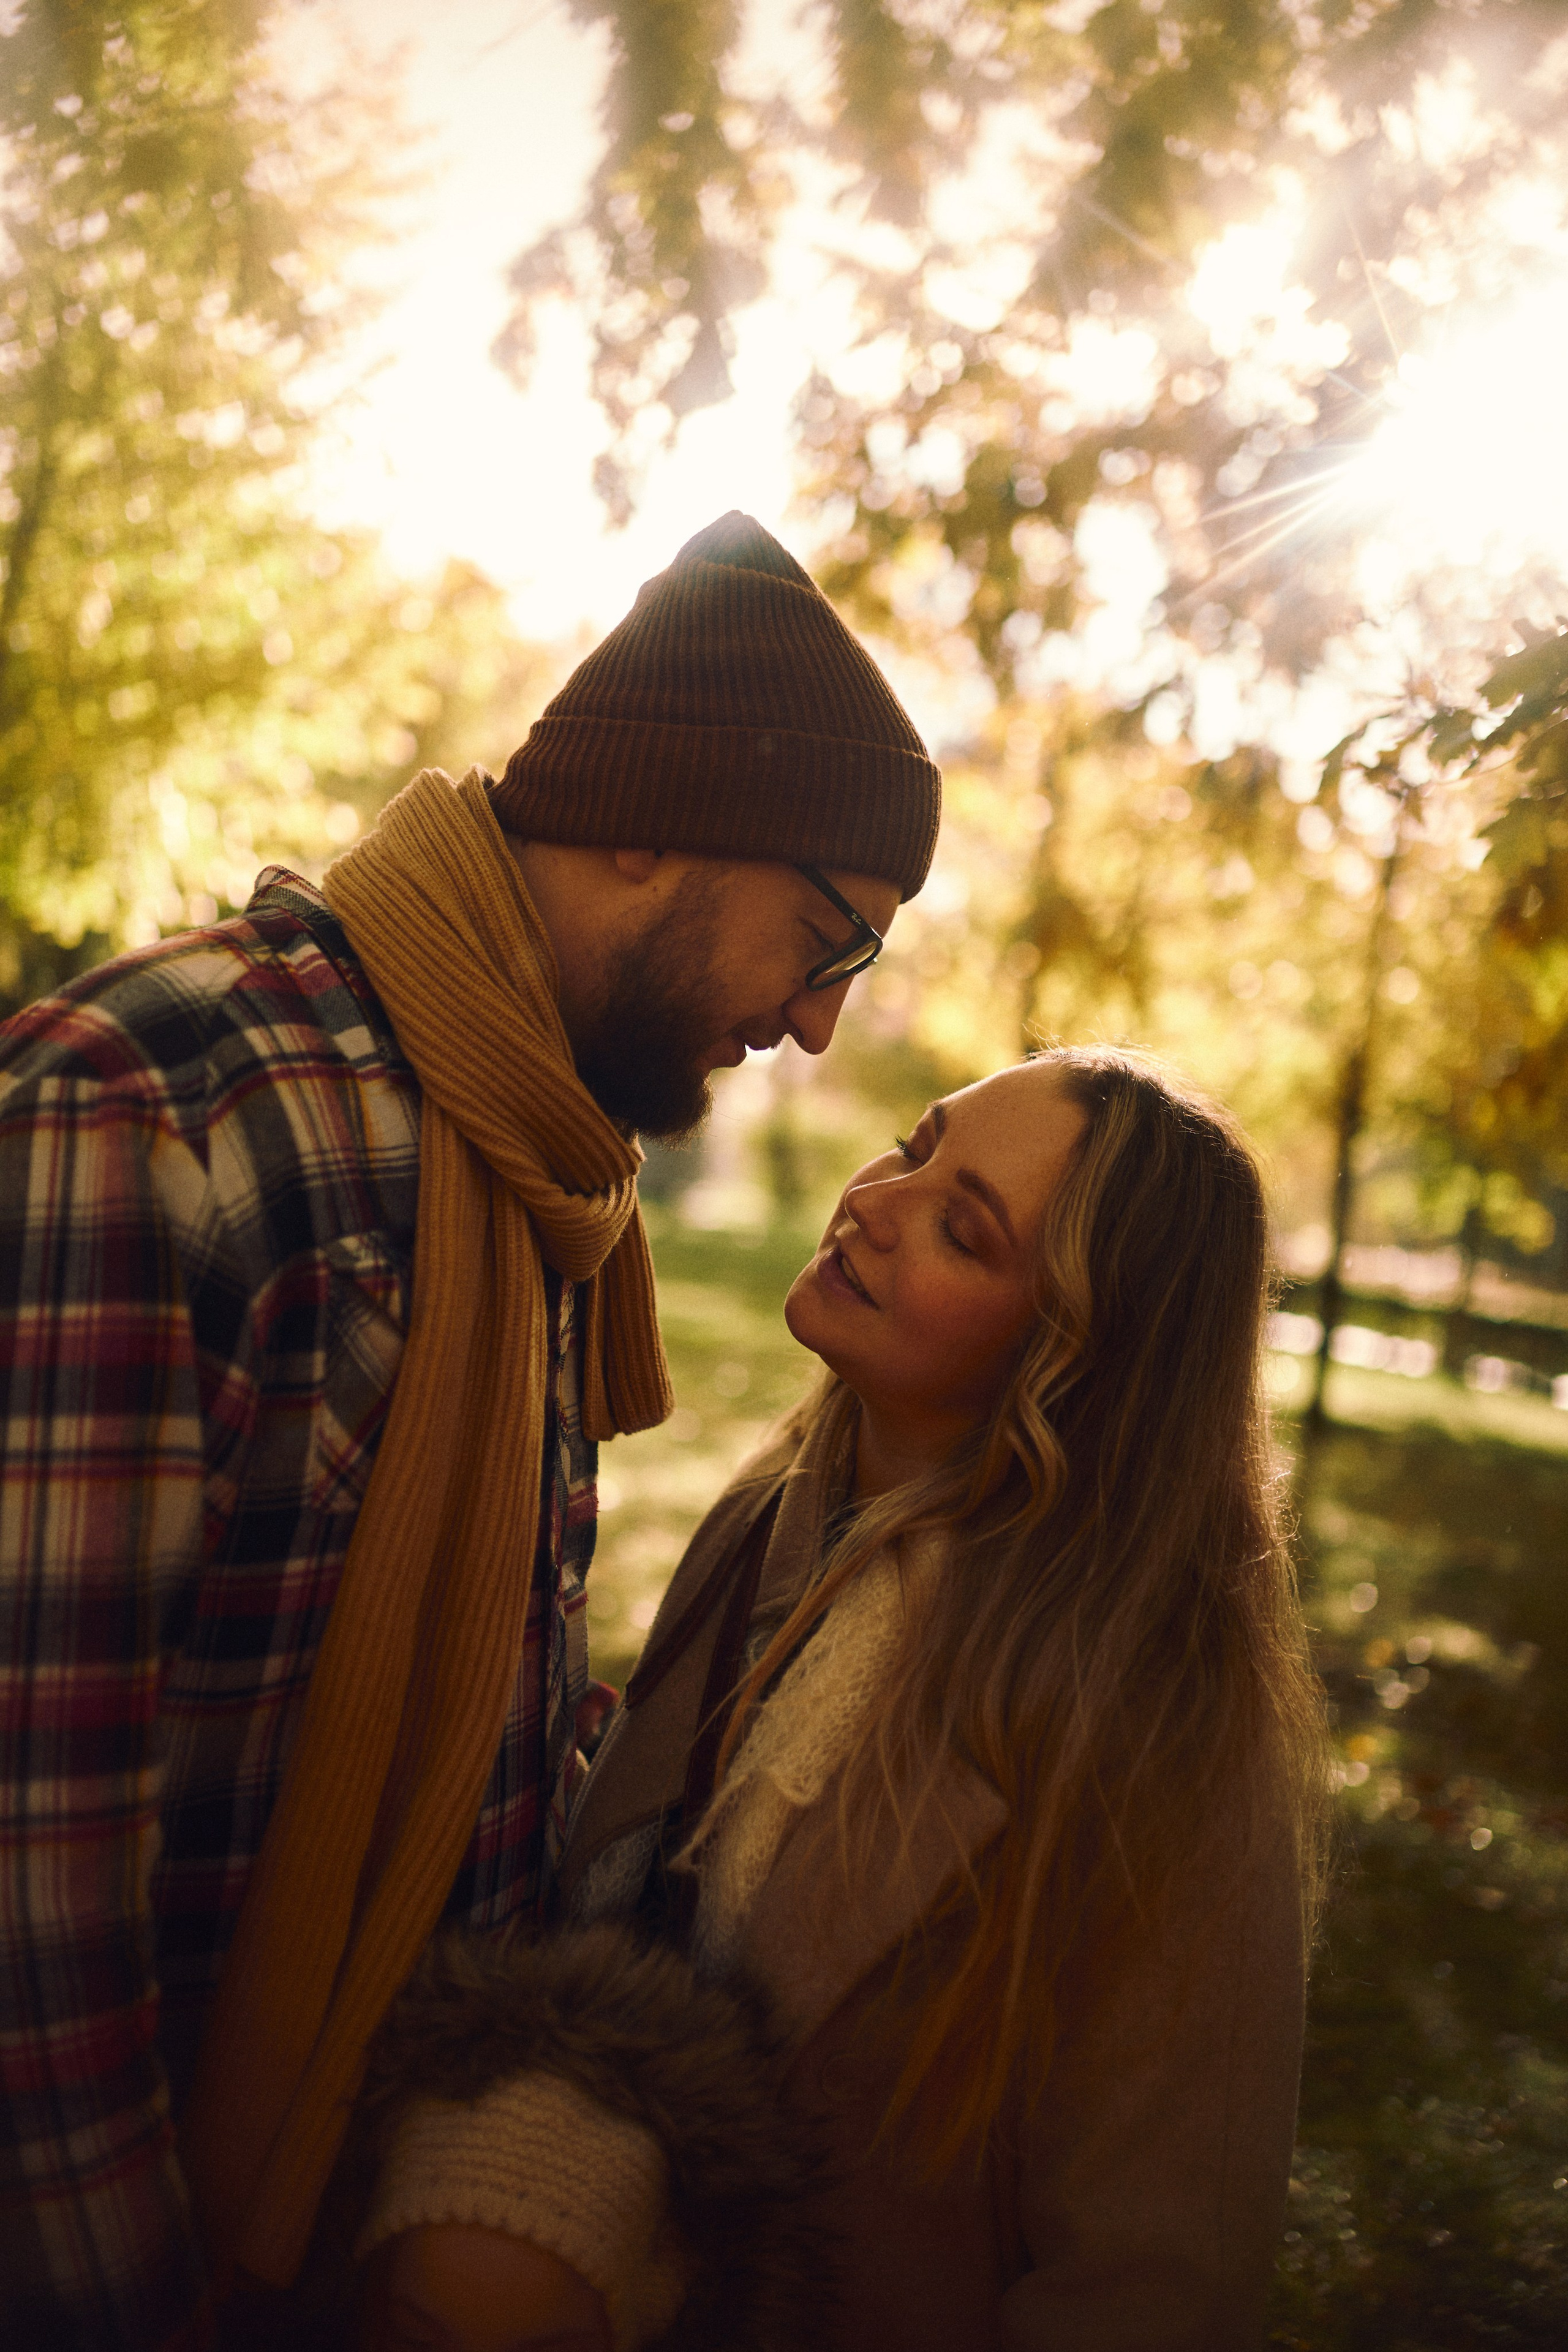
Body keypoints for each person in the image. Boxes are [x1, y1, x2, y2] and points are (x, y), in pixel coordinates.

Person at [0, 510, 940, 2349]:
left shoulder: (533, 1165)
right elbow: (27, 1873)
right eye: (827, 937)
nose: (824, 1028)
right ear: (647, 818)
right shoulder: (149, 1113)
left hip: (367, 2206)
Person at [353, 1047, 1329, 2352]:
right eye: (915, 1145)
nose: (876, 1198)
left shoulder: (1158, 1726)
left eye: (960, 1229)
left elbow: (1152, 2269)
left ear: (1073, 1363)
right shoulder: (771, 1519)